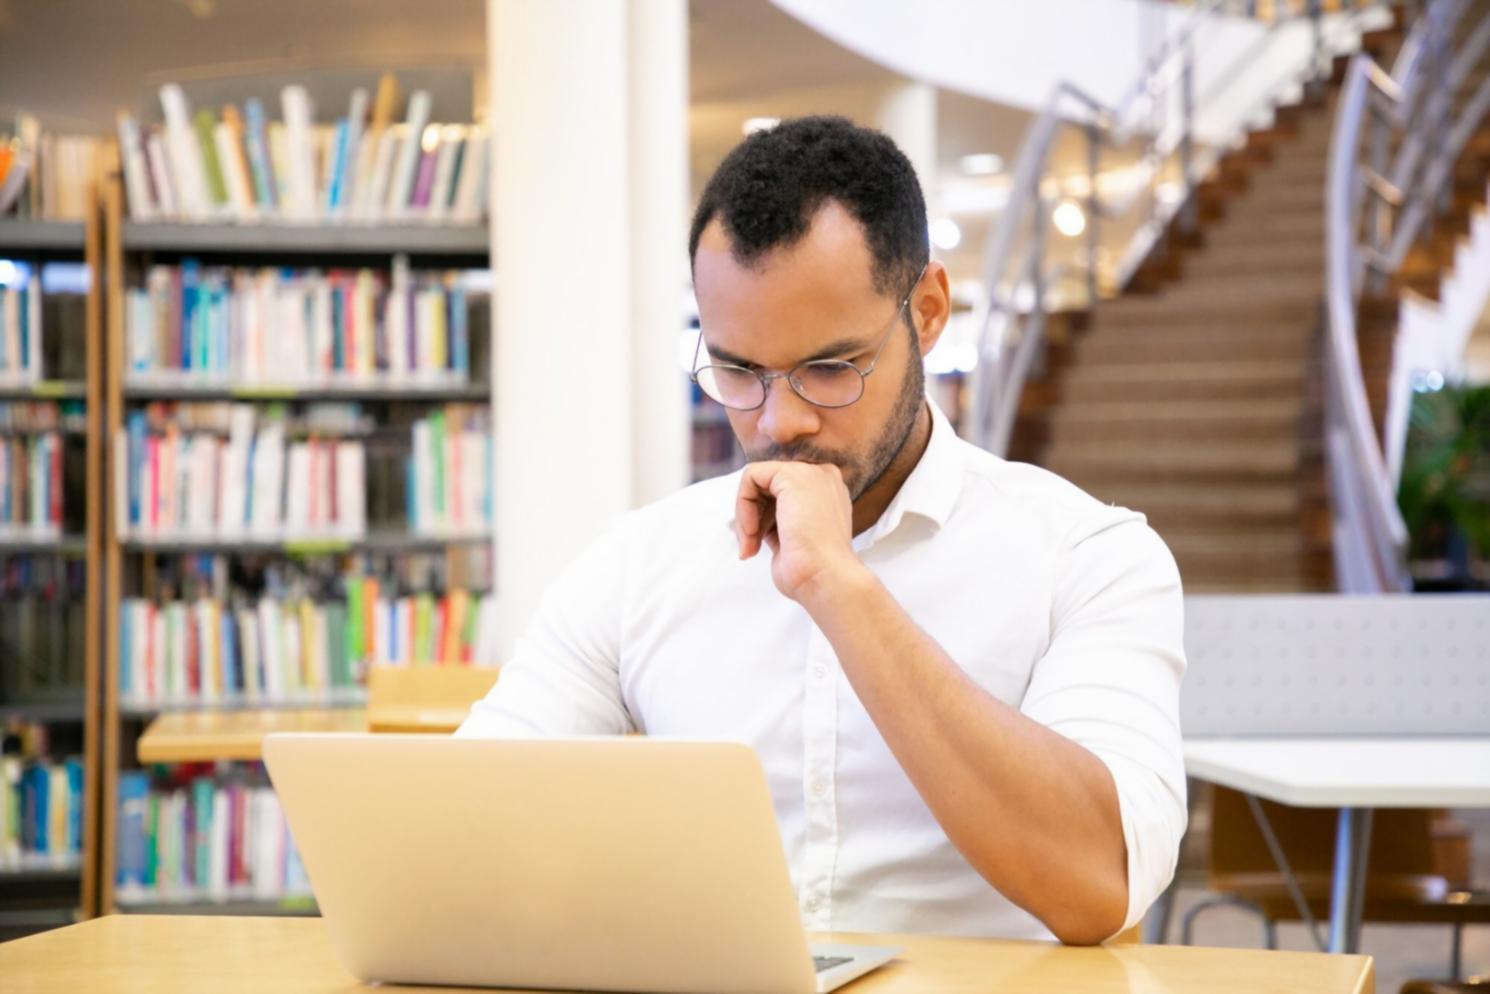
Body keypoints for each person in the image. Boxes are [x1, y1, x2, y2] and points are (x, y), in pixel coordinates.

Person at [457, 115, 1186, 946]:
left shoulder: (1088, 557)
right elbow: (471, 823)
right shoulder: (639, 563)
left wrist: (838, 587)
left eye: (831, 367)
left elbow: (1099, 881)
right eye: (737, 371)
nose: (781, 420)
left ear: (930, 311)